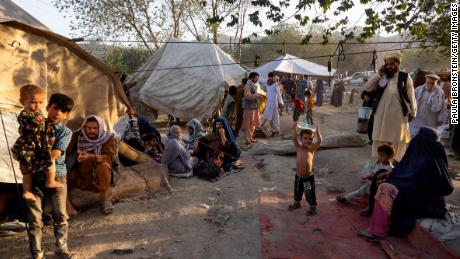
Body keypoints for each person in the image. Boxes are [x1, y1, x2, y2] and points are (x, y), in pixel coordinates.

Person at [357, 127, 453, 239]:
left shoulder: (428, 161)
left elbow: (416, 184)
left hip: (424, 202)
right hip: (415, 192)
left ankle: (377, 231)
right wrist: (391, 175)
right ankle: (371, 209)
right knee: (382, 173)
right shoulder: (427, 153)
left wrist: (393, 182)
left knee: (386, 189)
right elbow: (408, 173)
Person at [26, 93, 75, 259]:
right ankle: (37, 253)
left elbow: (56, 153)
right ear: (48, 107)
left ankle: (61, 248)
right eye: (55, 108)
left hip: (58, 175)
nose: (58, 112)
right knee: (34, 219)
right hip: (34, 177)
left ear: (67, 114)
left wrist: (40, 157)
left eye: (63, 111)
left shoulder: (66, 132)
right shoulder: (35, 125)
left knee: (60, 215)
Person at [12, 85, 62, 201]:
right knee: (27, 171)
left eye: (40, 102)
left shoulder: (40, 113)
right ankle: (27, 191)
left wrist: (50, 137)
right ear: (22, 102)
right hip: (27, 148)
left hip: (38, 147)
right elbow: (26, 121)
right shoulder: (25, 114)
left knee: (49, 161)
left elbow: (44, 128)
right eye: (33, 102)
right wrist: (34, 121)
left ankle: (50, 181)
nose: (37, 105)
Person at [364, 52, 417, 162]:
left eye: (391, 64)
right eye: (387, 64)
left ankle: (396, 165)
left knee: (398, 141)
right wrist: (378, 74)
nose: (389, 67)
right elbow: (368, 88)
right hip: (381, 116)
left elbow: (411, 96)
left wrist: (413, 112)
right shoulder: (381, 77)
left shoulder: (405, 77)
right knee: (379, 140)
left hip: (398, 116)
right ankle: (380, 166)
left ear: (398, 64)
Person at [67, 115, 116, 215]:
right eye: (89, 128)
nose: (91, 131)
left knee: (102, 165)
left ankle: (104, 200)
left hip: (102, 176)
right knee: (61, 175)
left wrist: (91, 156)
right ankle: (68, 206)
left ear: (100, 128)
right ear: (84, 127)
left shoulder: (108, 138)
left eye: (95, 128)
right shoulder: (78, 136)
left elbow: (110, 157)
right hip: (84, 177)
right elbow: (67, 151)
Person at [337, 145, 394, 212]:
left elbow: (388, 181)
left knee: (372, 196)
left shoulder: (390, 169)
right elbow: (373, 174)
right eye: (379, 155)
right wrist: (368, 176)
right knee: (360, 191)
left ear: (390, 156)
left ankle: (369, 208)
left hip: (379, 187)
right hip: (372, 184)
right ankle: (346, 198)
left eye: (382, 155)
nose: (380, 157)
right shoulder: (379, 164)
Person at [288, 122, 322, 216]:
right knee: (297, 191)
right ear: (301, 139)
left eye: (310, 139)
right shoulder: (298, 148)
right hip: (299, 176)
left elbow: (319, 142)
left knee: (309, 192)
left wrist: (318, 133)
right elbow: (294, 137)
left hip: (308, 177)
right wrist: (294, 128)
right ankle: (297, 203)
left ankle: (312, 207)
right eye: (305, 138)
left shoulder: (311, 150)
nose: (308, 140)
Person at [242, 72, 262, 144]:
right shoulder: (248, 85)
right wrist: (257, 96)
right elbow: (247, 96)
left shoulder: (253, 85)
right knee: (248, 124)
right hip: (248, 108)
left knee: (253, 123)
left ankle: (250, 138)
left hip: (254, 107)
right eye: (256, 78)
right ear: (252, 78)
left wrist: (258, 95)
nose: (257, 79)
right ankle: (247, 139)